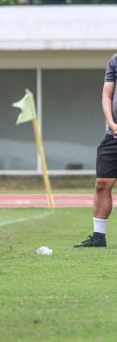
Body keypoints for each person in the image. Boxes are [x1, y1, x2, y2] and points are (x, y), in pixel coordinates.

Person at [75, 53, 117, 247]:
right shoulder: (115, 60)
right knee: (102, 183)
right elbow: (106, 96)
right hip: (114, 134)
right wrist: (112, 124)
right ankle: (98, 237)